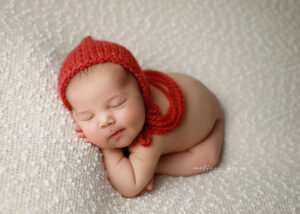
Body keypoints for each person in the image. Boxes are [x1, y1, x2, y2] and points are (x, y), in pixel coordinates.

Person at [57, 36, 225, 198]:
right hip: (187, 86)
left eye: (117, 103)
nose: (104, 121)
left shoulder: (151, 133)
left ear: (141, 88)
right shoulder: (127, 106)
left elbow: (131, 186)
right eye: (87, 116)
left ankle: (156, 166)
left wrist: (108, 150)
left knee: (208, 160)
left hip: (211, 120)